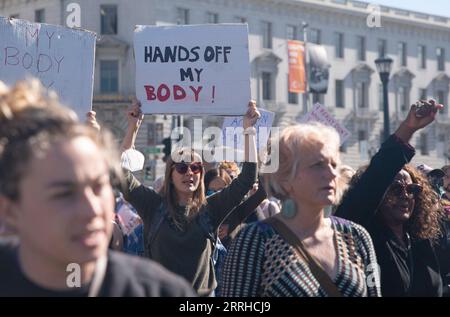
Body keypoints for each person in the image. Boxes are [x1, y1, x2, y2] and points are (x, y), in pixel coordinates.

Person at [0, 79, 194, 297]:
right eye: (64, 194)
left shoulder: (161, 291)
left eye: (99, 186)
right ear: (10, 211)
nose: (92, 209)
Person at [220, 122, 380, 297]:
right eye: (318, 165)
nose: (332, 174)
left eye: (334, 165)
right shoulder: (255, 240)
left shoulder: (356, 236)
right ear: (285, 177)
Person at [121, 100, 260, 296]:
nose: (190, 173)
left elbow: (247, 179)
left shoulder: (211, 208)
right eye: (182, 167)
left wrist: (249, 130)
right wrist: (133, 128)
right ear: (170, 175)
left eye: (196, 168)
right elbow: (121, 174)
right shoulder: (152, 205)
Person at [335, 100, 445, 297]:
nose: (405, 195)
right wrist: (408, 129)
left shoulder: (421, 239)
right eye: (395, 189)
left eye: (412, 189)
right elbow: (375, 178)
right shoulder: (365, 234)